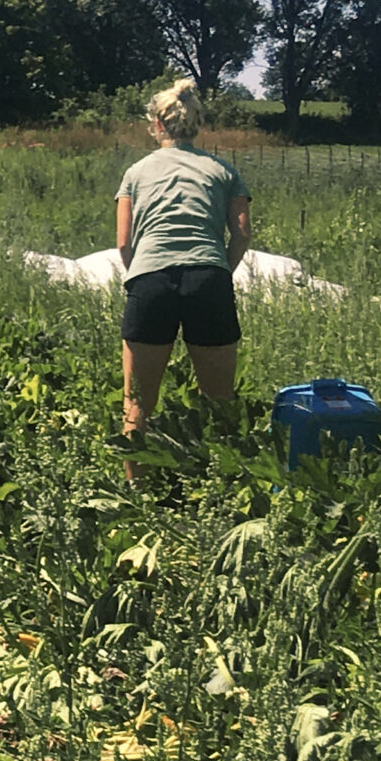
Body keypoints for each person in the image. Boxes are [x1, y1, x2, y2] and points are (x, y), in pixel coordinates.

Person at [115, 79, 251, 469]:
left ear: (157, 123)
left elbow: (124, 243)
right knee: (220, 401)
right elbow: (241, 234)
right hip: (208, 278)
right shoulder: (224, 171)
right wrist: (220, 270)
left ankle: (135, 490)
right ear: (197, 122)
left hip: (151, 280)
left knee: (138, 401)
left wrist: (143, 273)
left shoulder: (135, 173)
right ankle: (225, 482)